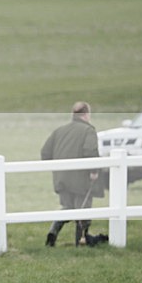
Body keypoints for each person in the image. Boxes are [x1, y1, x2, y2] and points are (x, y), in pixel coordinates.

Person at [40, 101, 103, 247]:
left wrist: (57, 168)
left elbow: (45, 153)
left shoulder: (59, 131)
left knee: (68, 208)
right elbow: (90, 152)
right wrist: (94, 171)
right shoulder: (89, 130)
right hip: (81, 179)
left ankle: (53, 232)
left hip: (62, 178)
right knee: (83, 211)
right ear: (86, 114)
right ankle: (79, 243)